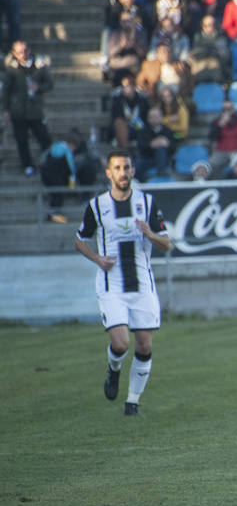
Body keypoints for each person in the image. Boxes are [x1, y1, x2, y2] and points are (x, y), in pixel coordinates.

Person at [74, 149, 172, 417]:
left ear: (133, 171)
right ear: (109, 173)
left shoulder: (148, 203)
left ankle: (132, 403)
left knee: (144, 345)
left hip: (142, 283)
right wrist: (97, 258)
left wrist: (150, 233)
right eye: (117, 168)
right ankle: (113, 369)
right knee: (120, 344)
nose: (123, 172)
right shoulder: (97, 206)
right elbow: (79, 239)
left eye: (127, 167)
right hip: (111, 283)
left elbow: (167, 243)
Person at [3, 40, 53, 176]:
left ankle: (48, 163)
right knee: (21, 139)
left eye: (24, 51)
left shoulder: (39, 65)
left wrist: (39, 88)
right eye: (19, 52)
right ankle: (27, 164)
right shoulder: (12, 69)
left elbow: (49, 83)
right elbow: (6, 90)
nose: (23, 55)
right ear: (14, 53)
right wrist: (6, 109)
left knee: (44, 138)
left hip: (35, 110)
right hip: (18, 111)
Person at [208, 99, 237, 177]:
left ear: (233, 109)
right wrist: (219, 126)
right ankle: (219, 185)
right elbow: (211, 138)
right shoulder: (216, 122)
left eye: (229, 109)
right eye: (224, 109)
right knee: (212, 163)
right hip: (222, 152)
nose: (227, 112)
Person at [109, 73, 150, 150]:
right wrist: (126, 118)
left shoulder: (142, 100)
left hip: (138, 126)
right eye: (124, 87)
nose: (127, 89)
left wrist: (134, 119)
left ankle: (123, 146)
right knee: (120, 124)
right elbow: (116, 117)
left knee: (141, 129)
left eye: (129, 86)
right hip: (123, 125)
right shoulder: (118, 100)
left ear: (134, 87)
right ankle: (125, 148)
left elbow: (145, 117)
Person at [135, 106, 177, 179]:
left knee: (161, 149)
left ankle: (161, 174)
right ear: (148, 118)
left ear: (161, 117)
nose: (154, 119)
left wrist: (167, 144)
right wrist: (151, 145)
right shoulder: (143, 131)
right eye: (151, 117)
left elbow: (173, 147)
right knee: (136, 167)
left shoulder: (168, 131)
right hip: (147, 158)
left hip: (165, 159)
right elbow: (141, 146)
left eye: (156, 117)